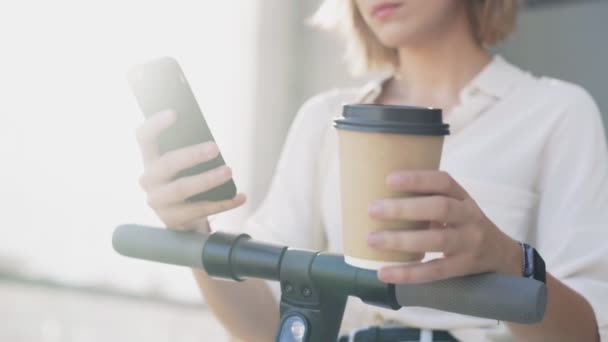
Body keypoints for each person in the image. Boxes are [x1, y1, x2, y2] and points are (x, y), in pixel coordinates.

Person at [135, 1, 607, 341]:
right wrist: (194, 233)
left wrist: (511, 261)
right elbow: (267, 329)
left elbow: (588, 334)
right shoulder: (323, 119)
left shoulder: (557, 113)